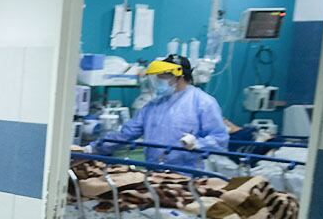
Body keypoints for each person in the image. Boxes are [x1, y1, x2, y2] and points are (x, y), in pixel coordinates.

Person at [89, 54, 229, 169]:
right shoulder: (153, 105)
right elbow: (126, 133)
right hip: (153, 172)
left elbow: (220, 139)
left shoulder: (202, 102)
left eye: (163, 77)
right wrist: (94, 148)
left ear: (179, 76)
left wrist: (196, 144)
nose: (159, 81)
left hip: (186, 175)